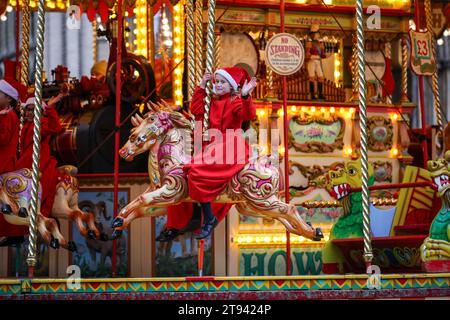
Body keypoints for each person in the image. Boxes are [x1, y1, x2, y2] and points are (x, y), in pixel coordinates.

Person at [182, 67, 257, 240]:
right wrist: (201, 86)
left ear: (231, 86)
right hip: (215, 144)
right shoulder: (213, 101)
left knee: (197, 169)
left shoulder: (236, 101)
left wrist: (245, 96)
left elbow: (248, 114)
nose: (219, 85)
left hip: (231, 145)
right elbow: (196, 110)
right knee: (189, 170)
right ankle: (199, 216)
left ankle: (208, 218)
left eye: (223, 82)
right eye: (217, 81)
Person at [15, 93, 65, 217]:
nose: (29, 113)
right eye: (28, 110)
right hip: (25, 161)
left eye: (33, 110)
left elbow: (56, 128)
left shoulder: (42, 123)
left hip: (38, 161)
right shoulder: (26, 125)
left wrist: (50, 109)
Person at [305, 25, 326, 100]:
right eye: (317, 33)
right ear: (313, 34)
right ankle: (312, 94)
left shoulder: (320, 44)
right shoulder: (309, 43)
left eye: (318, 33)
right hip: (312, 61)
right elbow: (307, 54)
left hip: (318, 61)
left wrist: (328, 54)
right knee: (312, 77)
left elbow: (323, 55)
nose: (318, 35)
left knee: (321, 77)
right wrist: (313, 56)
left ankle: (320, 94)